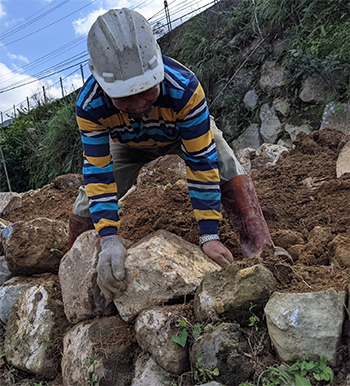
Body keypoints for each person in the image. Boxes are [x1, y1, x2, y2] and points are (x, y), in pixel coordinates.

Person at [70, 8, 278, 299]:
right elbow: (98, 172)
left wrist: (208, 234)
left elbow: (201, 161)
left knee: (225, 161)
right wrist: (108, 239)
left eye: (146, 90)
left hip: (180, 132)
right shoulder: (90, 106)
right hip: (126, 145)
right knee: (85, 203)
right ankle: (75, 268)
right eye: (125, 97)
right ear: (105, 88)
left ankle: (261, 248)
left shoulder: (184, 87)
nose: (140, 104)